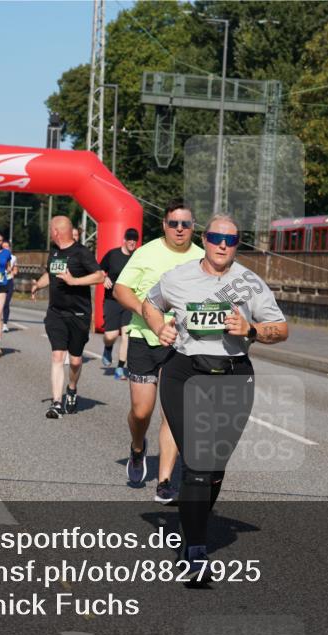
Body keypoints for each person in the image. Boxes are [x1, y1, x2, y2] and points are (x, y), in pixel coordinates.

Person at [143, 214, 288, 579]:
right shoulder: (178, 278)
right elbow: (150, 302)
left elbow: (281, 329)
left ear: (238, 244)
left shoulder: (250, 284)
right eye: (215, 237)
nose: (223, 244)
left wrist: (252, 328)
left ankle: (194, 520)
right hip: (185, 373)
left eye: (232, 239)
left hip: (233, 375)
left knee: (213, 466)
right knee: (196, 463)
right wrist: (159, 327)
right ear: (204, 239)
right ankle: (195, 549)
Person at [114, 201, 203, 501]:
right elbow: (120, 289)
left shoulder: (203, 259)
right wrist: (148, 313)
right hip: (144, 340)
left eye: (186, 224)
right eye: (174, 223)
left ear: (193, 227)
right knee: (142, 412)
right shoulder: (147, 252)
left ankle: (164, 480)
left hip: (181, 346)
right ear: (164, 225)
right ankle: (138, 448)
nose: (180, 229)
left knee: (173, 413)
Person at [31, 216, 104, 418]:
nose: (49, 233)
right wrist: (38, 284)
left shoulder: (81, 252)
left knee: (75, 361)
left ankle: (71, 388)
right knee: (57, 356)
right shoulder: (53, 252)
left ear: (56, 231)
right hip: (56, 312)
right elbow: (49, 274)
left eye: (50, 229)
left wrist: (75, 281)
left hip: (78, 314)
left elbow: (99, 276)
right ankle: (56, 402)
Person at [100, 228, 139, 379]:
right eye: (130, 239)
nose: (132, 242)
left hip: (129, 300)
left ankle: (120, 368)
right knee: (111, 335)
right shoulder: (113, 254)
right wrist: (104, 278)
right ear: (124, 239)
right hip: (112, 300)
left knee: (126, 335)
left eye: (135, 240)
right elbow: (99, 269)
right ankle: (108, 348)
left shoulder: (137, 257)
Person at [1, 240, 16, 333]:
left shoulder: (13, 258)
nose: (5, 248)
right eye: (3, 247)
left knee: (6, 303)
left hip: (9, 281)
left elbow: (15, 268)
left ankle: (5, 324)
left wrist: (14, 271)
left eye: (7, 247)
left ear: (10, 248)